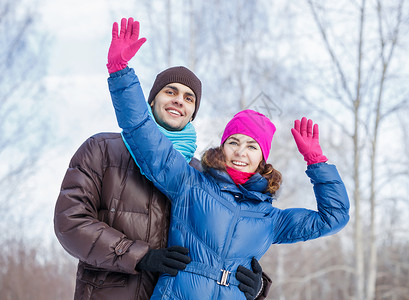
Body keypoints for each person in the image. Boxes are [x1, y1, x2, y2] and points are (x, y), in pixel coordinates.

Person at [108, 18, 350, 300]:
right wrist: (120, 73)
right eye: (233, 142)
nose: (240, 151)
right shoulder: (190, 184)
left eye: (251, 146)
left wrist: (317, 162)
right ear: (222, 149)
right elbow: (143, 134)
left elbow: (333, 218)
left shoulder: (271, 219)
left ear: (262, 160)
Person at [54, 18, 271, 300]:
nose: (179, 100)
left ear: (193, 114)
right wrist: (139, 256)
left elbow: (227, 241)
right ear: (152, 100)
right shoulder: (102, 149)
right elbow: (70, 222)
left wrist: (257, 284)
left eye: (189, 98)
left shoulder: (201, 175)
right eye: (170, 91)